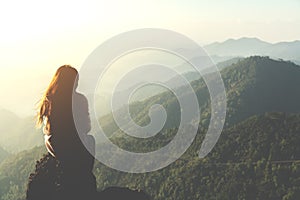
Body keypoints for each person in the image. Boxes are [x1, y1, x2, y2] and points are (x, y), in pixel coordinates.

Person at [36, 65, 96, 199]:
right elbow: (86, 128)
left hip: (54, 145)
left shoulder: (49, 101)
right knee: (90, 139)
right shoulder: (79, 99)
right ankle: (83, 176)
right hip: (74, 146)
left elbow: (47, 130)